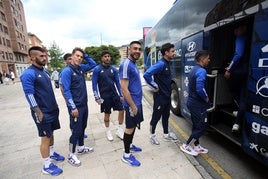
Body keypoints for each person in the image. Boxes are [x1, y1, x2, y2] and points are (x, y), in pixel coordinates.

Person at [20, 46, 64, 176]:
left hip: (52, 110)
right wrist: (38, 112)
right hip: (42, 112)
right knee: (45, 137)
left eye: (45, 56)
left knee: (51, 134)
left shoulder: (45, 72)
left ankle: (51, 153)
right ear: (31, 58)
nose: (44, 58)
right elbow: (29, 95)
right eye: (41, 56)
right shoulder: (28, 74)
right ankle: (46, 165)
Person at [60, 47, 96, 167]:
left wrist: (86, 56)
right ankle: (71, 154)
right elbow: (66, 90)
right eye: (77, 56)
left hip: (84, 105)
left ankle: (80, 148)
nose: (79, 58)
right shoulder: (67, 71)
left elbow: (93, 64)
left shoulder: (80, 68)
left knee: (83, 127)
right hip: (76, 107)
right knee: (76, 131)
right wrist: (72, 107)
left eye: (81, 56)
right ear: (72, 56)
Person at [143, 43, 178, 145]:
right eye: (172, 51)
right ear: (166, 53)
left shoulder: (168, 63)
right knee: (156, 117)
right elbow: (147, 74)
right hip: (160, 97)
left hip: (167, 96)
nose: (174, 53)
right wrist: (154, 86)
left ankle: (166, 134)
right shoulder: (161, 64)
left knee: (166, 116)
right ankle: (152, 136)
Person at [180, 50, 210, 156]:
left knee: (196, 126)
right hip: (197, 105)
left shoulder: (194, 69)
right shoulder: (202, 71)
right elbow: (200, 88)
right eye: (208, 58)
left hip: (193, 103)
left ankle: (196, 146)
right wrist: (206, 98)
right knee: (201, 127)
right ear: (202, 59)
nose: (209, 60)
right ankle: (186, 145)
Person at [119, 41, 144, 167]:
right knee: (129, 127)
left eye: (139, 49)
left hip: (137, 102)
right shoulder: (126, 64)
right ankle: (126, 155)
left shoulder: (133, 63)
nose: (137, 51)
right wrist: (133, 106)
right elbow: (124, 89)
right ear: (129, 49)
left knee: (133, 125)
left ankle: (130, 145)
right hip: (131, 103)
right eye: (135, 48)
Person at [91, 50, 124, 141]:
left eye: (109, 56)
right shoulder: (97, 69)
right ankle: (108, 130)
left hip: (114, 94)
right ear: (102, 58)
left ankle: (120, 130)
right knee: (107, 114)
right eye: (105, 56)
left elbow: (118, 83)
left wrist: (121, 94)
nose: (107, 58)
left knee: (122, 110)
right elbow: (94, 84)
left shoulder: (113, 69)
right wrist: (96, 97)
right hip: (104, 96)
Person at [224, 24, 249, 132]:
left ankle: (239, 112)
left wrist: (229, 69)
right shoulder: (251, 38)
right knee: (243, 96)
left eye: (236, 29)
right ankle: (237, 123)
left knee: (233, 90)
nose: (235, 32)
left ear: (243, 28)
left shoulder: (241, 38)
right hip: (248, 72)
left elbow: (238, 54)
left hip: (239, 72)